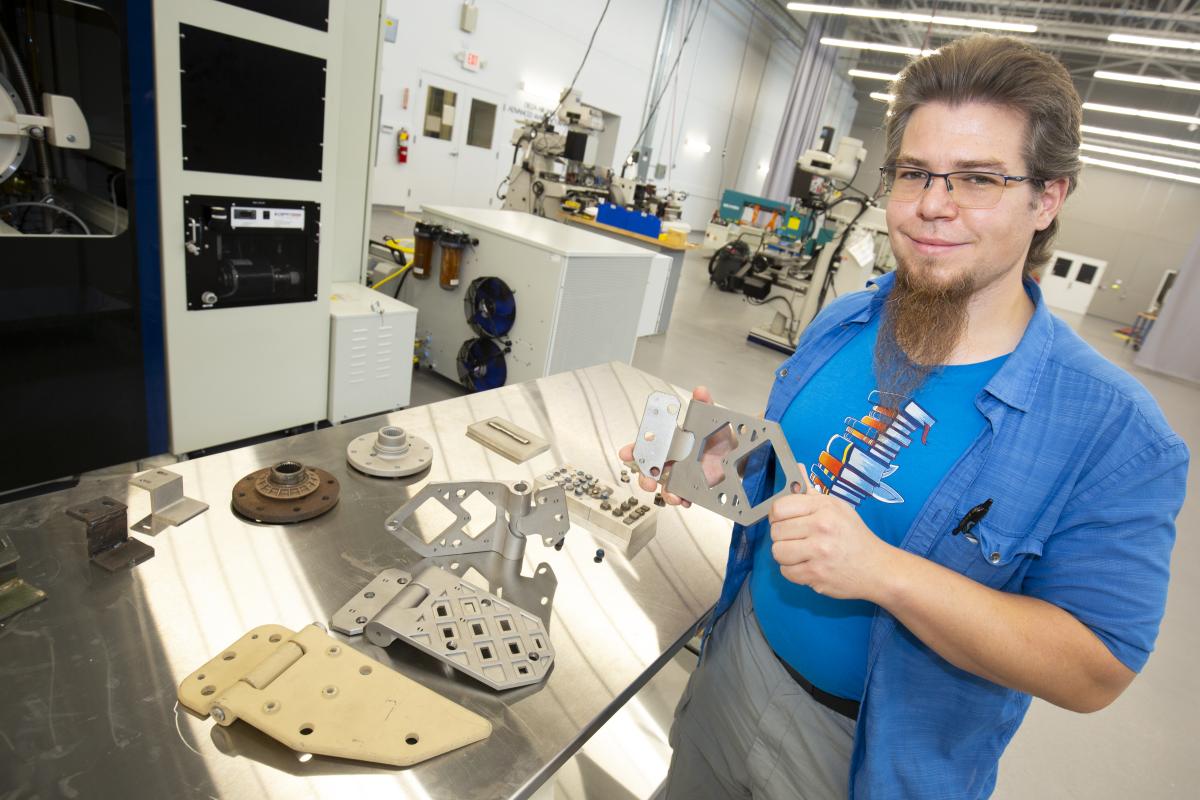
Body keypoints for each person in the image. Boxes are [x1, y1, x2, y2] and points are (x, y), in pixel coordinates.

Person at [620, 35, 1189, 799]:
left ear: (1047, 198)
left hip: (868, 751)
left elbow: (1095, 669)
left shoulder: (1117, 432)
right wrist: (726, 461)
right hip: (736, 660)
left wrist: (884, 573)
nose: (931, 205)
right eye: (915, 172)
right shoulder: (846, 322)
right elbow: (796, 467)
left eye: (979, 179)